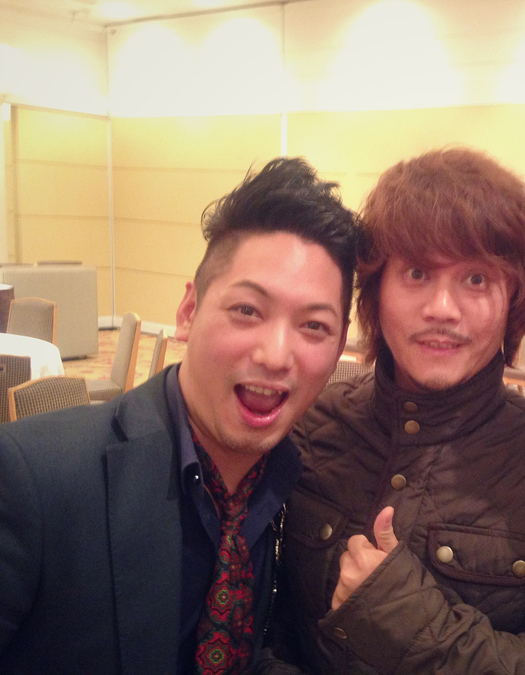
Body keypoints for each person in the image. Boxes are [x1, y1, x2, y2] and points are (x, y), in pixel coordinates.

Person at [262, 148, 525, 674]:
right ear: (376, 292)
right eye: (417, 273)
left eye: (476, 279)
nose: (442, 309)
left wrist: (414, 625)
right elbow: (267, 619)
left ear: (513, 302)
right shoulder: (313, 425)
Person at [0, 157, 360, 675]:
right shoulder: (31, 477)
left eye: (314, 326)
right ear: (188, 312)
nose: (276, 355)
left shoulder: (294, 489)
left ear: (340, 348)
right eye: (247, 311)